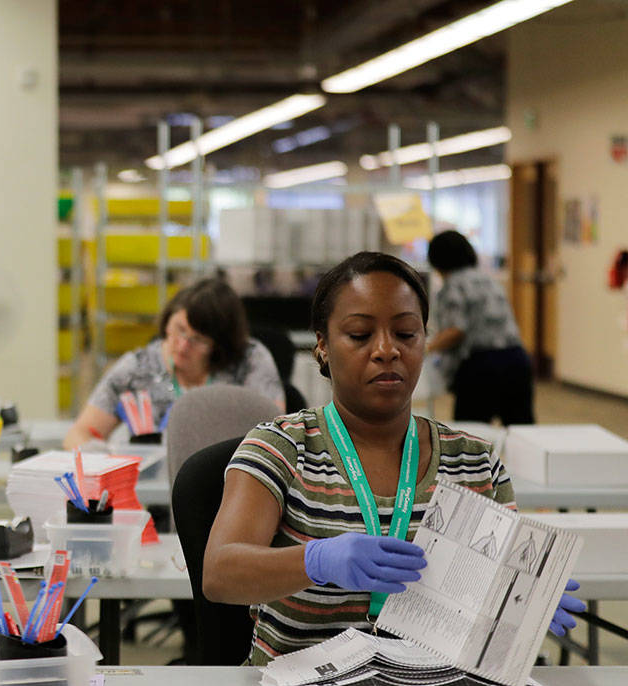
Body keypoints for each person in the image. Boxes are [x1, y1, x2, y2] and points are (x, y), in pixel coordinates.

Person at [202, 252, 583, 664]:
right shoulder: (283, 447)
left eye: (405, 334)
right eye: (360, 335)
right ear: (323, 346)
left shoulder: (475, 462)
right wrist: (316, 561)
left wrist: (521, 601)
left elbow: (494, 608)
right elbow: (220, 574)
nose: (387, 350)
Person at [63, 278, 284, 449]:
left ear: (220, 345)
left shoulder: (250, 360)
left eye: (198, 339)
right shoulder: (137, 368)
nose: (182, 344)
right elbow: (79, 433)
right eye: (179, 329)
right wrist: (95, 453)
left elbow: (276, 436)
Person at [426, 229, 536, 424]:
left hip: (481, 367)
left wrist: (426, 348)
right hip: (517, 360)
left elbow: (456, 331)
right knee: (520, 431)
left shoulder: (452, 286)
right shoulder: (489, 281)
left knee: (471, 435)